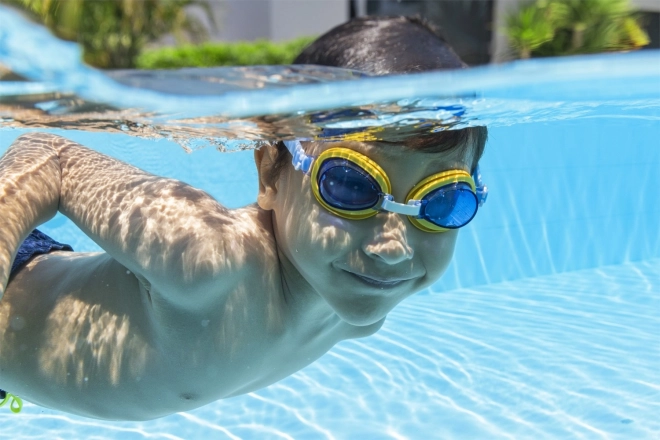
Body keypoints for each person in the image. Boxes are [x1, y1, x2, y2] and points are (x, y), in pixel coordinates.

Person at [0, 16, 487, 420]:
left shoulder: (353, 312)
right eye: (351, 186)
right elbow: (49, 155)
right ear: (272, 171)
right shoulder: (210, 258)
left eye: (441, 201)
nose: (393, 246)